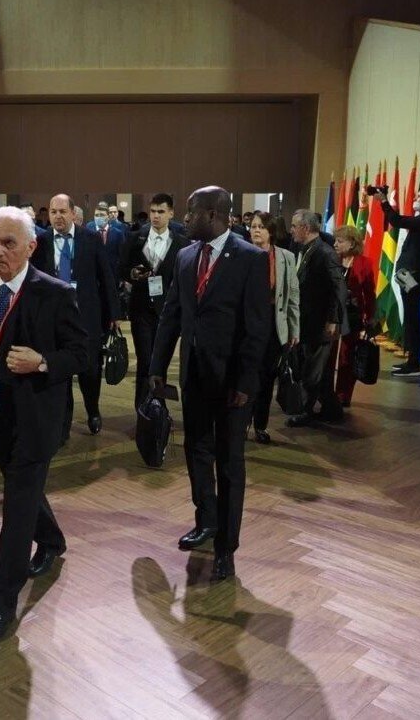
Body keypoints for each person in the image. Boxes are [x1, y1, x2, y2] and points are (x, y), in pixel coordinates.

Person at [0, 206, 88, 646]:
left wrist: (42, 361)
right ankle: (52, 539)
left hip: (36, 420)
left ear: (31, 247)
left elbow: (82, 354)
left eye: (9, 243)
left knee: (15, 510)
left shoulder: (55, 294)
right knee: (20, 489)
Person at [148, 186, 270, 582]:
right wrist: (157, 367)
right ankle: (207, 521)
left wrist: (246, 382)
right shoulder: (186, 256)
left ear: (213, 215)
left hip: (233, 383)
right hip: (195, 376)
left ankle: (226, 549)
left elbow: (257, 328)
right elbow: (171, 315)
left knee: (230, 462)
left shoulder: (251, 259)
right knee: (196, 450)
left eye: (192, 211)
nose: (185, 217)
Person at [33, 194, 119, 438]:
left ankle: (93, 410)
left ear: (73, 213)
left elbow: (105, 276)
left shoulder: (90, 239)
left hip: (87, 317)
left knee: (90, 371)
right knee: (59, 371)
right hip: (53, 320)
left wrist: (113, 313)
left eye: (62, 211)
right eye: (53, 212)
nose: (58, 216)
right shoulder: (41, 241)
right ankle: (63, 423)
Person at [119, 192, 190, 408]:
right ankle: (143, 410)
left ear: (171, 213)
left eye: (161, 211)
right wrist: (132, 274)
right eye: (152, 211)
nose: (156, 216)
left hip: (168, 312)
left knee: (161, 363)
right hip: (141, 309)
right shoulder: (135, 238)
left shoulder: (181, 243)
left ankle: (159, 409)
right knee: (145, 361)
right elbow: (121, 268)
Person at [285, 209, 347, 427]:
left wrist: (333, 319)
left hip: (321, 322)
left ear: (305, 228)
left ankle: (306, 411)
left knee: (312, 369)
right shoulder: (305, 249)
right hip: (309, 320)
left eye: (294, 226)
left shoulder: (325, 253)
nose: (291, 230)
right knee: (319, 369)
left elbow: (339, 289)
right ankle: (331, 409)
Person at [374, 186, 420, 377]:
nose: (416, 198)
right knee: (410, 318)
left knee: (412, 319)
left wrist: (384, 201)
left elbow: (397, 221)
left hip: (416, 275)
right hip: (409, 274)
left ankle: (413, 364)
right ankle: (411, 360)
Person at [248, 211, 300, 443]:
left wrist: (294, 329)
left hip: (273, 324)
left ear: (271, 231)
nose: (256, 230)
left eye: (261, 227)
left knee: (267, 378)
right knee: (245, 375)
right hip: (246, 324)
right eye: (253, 226)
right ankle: (241, 422)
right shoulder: (240, 254)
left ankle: (260, 425)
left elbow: (293, 296)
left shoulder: (286, 257)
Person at [333, 225, 376, 406]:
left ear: (351, 243)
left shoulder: (364, 263)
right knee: (328, 355)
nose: (335, 244)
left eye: (339, 241)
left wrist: (371, 316)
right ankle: (325, 394)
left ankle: (342, 395)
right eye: (335, 240)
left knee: (347, 356)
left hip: (352, 315)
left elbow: (369, 292)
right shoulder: (332, 259)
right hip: (331, 313)